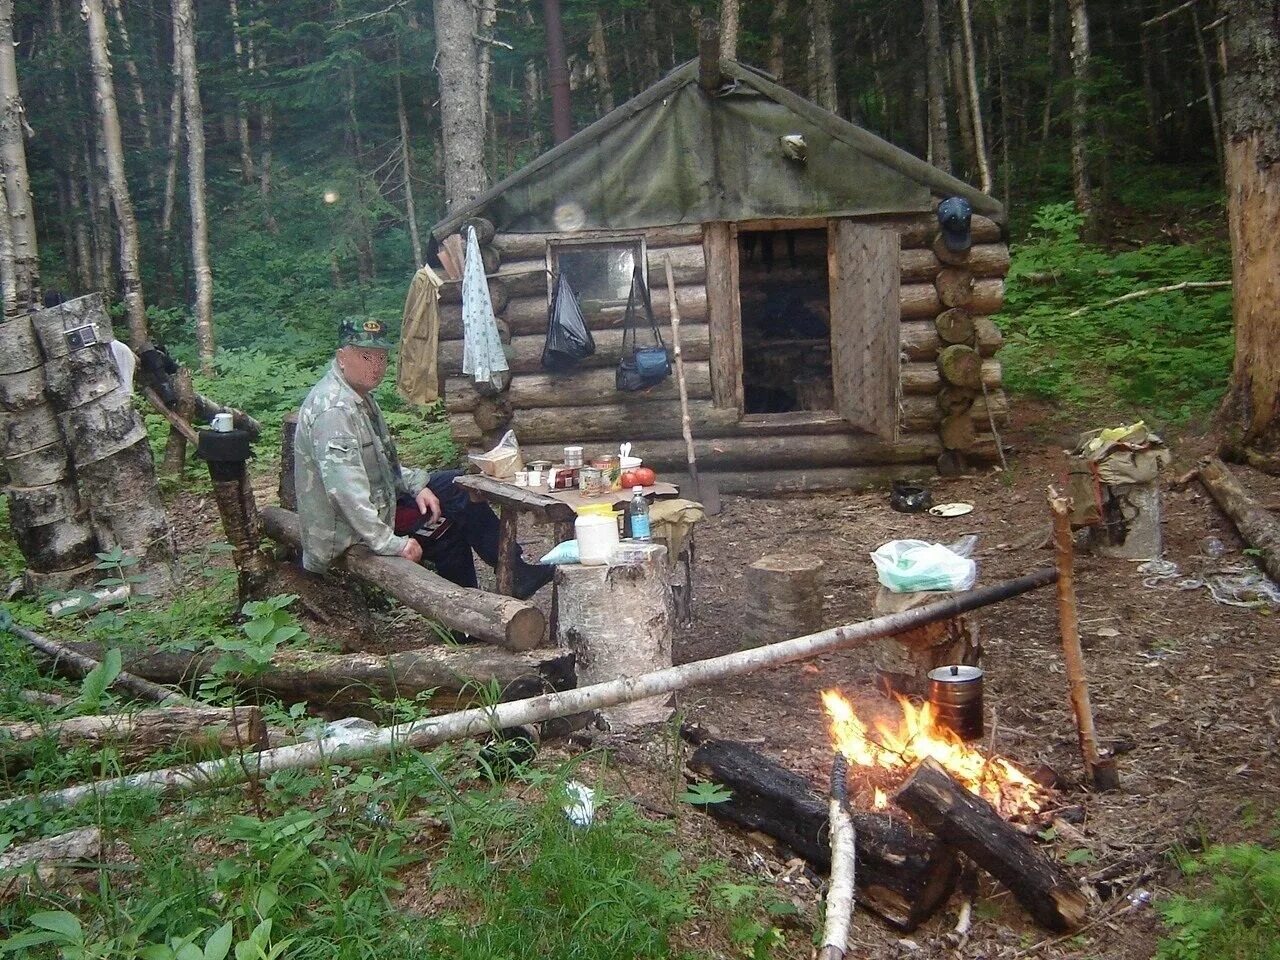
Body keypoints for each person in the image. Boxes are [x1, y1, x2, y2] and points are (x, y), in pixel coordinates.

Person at [294, 317, 552, 599]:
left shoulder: (358, 396)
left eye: (381, 357)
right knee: (447, 522)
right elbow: (345, 493)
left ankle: (487, 596)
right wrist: (391, 544)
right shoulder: (334, 411)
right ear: (342, 357)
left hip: (377, 504)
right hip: (344, 534)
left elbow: (381, 463)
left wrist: (417, 485)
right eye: (365, 356)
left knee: (456, 489)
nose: (376, 366)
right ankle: (503, 582)